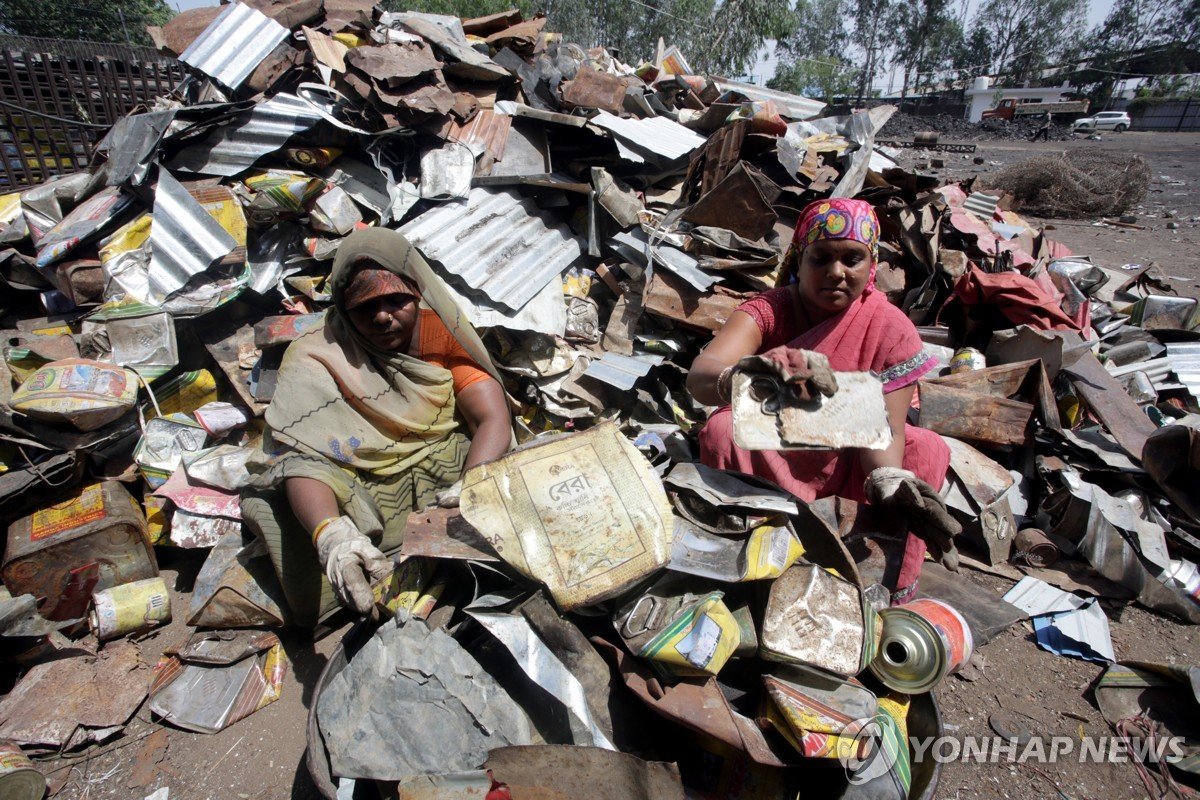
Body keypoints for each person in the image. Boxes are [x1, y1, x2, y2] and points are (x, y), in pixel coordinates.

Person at [687, 199, 959, 604]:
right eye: (821, 258)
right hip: (779, 443)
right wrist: (742, 378)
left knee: (926, 450)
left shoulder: (889, 327)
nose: (836, 272)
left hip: (854, 451)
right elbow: (702, 374)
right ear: (800, 259)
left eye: (852, 258)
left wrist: (887, 478)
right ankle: (744, 563)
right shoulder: (770, 311)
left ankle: (878, 589)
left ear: (873, 264)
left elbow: (888, 428)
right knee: (724, 430)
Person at [243, 228, 512, 626]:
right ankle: (371, 550)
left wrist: (471, 487)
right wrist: (330, 536)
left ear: (418, 293)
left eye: (396, 300)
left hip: (442, 465)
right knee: (308, 595)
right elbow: (300, 460)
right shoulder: (315, 355)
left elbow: (491, 416)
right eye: (364, 306)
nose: (383, 317)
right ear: (343, 307)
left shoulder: (439, 331)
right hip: (357, 480)